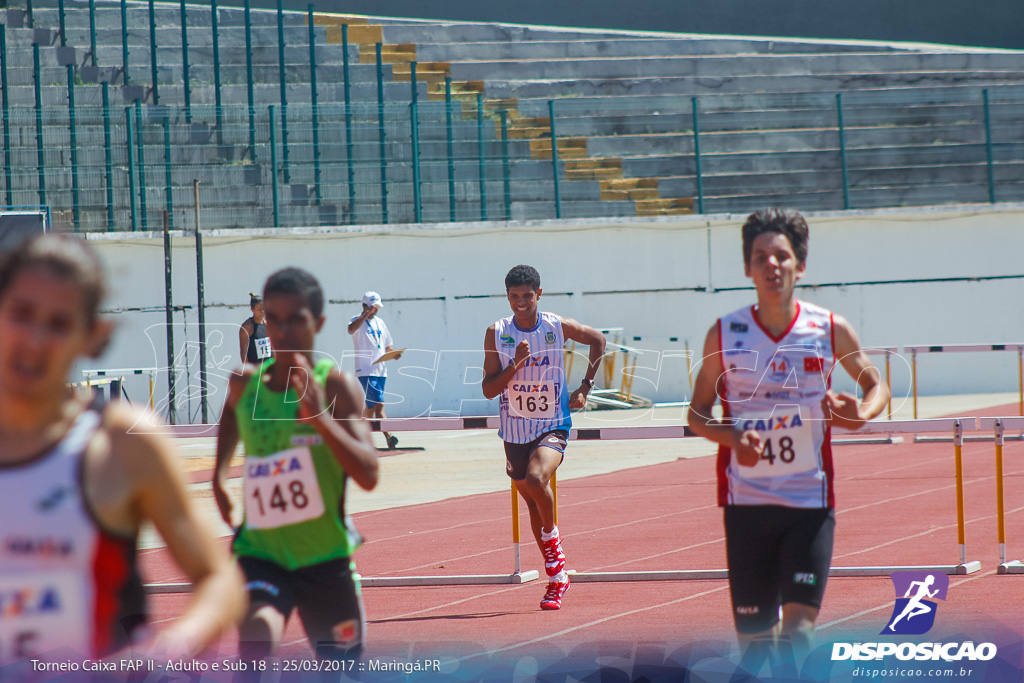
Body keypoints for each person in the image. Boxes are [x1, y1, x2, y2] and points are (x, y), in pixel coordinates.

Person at [0, 234, 245, 669]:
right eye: (21, 314)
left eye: (58, 324)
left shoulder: (124, 442)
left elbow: (219, 580)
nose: (35, 340)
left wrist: (171, 649)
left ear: (92, 336)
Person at [686, 208, 890, 668]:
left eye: (782, 255)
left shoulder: (829, 328)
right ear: (747, 268)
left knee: (798, 629)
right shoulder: (725, 333)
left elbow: (876, 384)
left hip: (809, 505)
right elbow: (697, 414)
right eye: (761, 257)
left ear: (800, 265)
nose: (771, 265)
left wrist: (860, 413)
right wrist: (732, 436)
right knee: (755, 646)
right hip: (746, 506)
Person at [213, 267, 379, 666]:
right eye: (273, 319)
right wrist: (219, 474)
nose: (283, 330)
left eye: (296, 320)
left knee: (341, 667)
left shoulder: (336, 387)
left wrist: (320, 417)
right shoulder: (245, 383)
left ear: (318, 323)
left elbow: (369, 475)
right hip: (261, 552)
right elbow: (232, 415)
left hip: (324, 558)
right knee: (256, 634)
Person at [482, 265, 606, 610]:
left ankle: (554, 556)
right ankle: (557, 579)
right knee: (533, 502)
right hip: (514, 430)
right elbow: (489, 389)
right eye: (513, 296)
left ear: (539, 294)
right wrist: (515, 366)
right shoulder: (496, 332)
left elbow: (598, 341)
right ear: (507, 296)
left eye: (526, 295)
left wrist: (585, 386)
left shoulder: (555, 325)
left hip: (552, 423)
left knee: (538, 480)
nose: (520, 302)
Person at [347, 291, 402, 450]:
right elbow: (351, 329)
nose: (376, 310)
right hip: (365, 370)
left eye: (378, 307)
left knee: (372, 406)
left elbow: (388, 346)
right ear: (366, 306)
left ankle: (359, 437)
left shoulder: (380, 322)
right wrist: (365, 315)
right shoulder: (356, 320)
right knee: (379, 403)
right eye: (374, 307)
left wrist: (394, 354)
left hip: (381, 370)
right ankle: (389, 436)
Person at [239, 292, 271, 364]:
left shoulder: (267, 324)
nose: (262, 312)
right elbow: (243, 352)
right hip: (255, 368)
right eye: (259, 309)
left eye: (263, 308)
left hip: (268, 367)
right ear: (252, 309)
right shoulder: (247, 327)